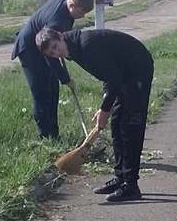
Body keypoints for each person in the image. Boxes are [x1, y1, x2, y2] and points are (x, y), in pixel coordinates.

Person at [39, 25, 154, 204]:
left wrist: (105, 109)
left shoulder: (86, 45)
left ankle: (131, 186)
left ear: (60, 36)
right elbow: (108, 75)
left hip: (137, 69)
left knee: (130, 127)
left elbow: (114, 78)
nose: (56, 53)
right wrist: (106, 107)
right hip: (123, 74)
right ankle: (120, 178)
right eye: (51, 54)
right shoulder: (74, 49)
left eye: (55, 47)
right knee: (117, 125)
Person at [10, 0, 94, 138]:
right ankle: (44, 137)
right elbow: (51, 54)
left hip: (44, 49)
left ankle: (54, 134)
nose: (82, 16)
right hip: (30, 51)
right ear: (72, 5)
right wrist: (66, 79)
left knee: (52, 90)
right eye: (81, 12)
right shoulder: (56, 20)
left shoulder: (65, 3)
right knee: (41, 93)